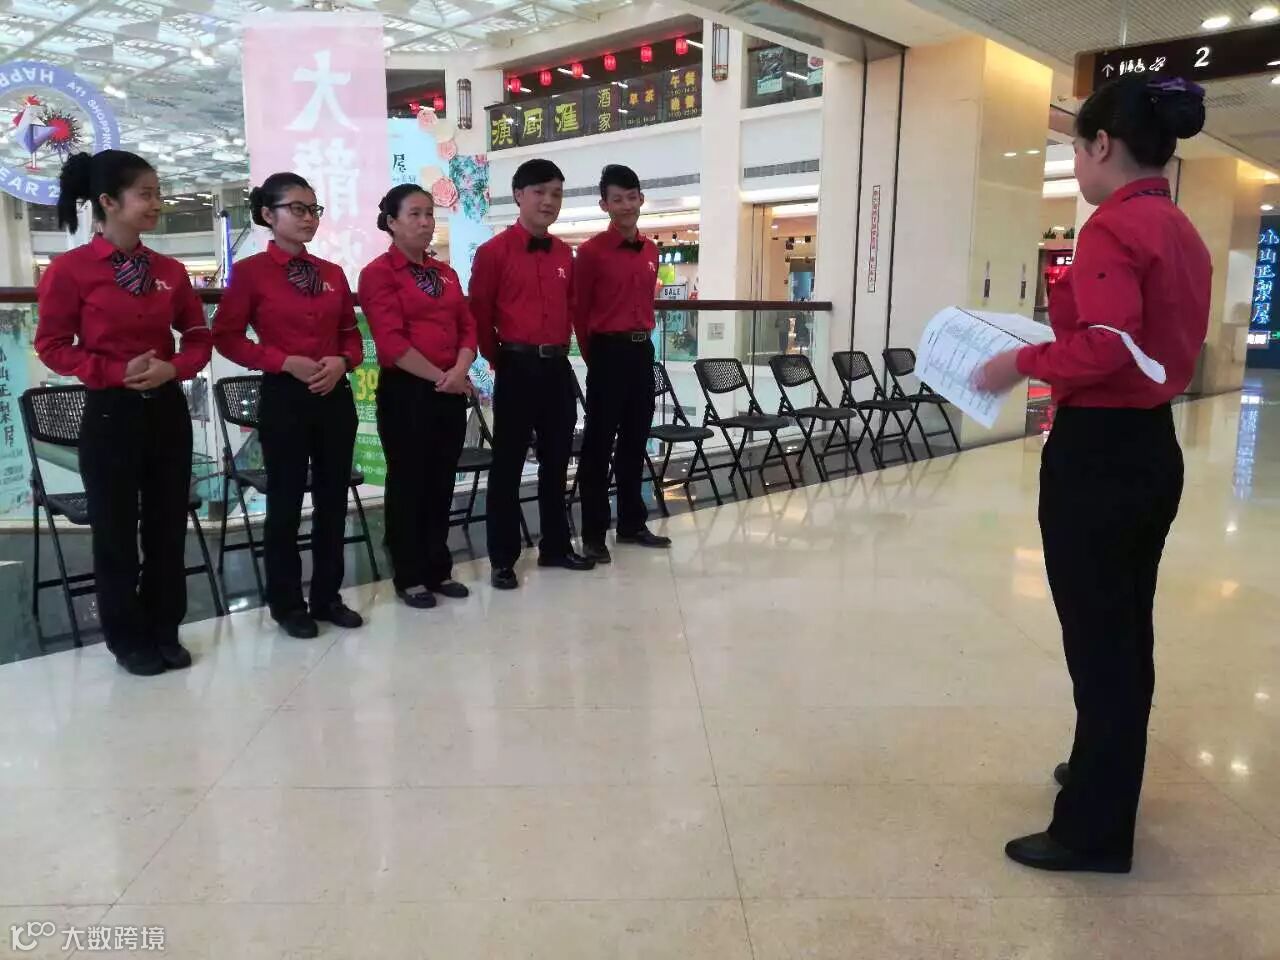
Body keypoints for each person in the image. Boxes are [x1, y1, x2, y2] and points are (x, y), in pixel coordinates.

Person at [975, 76, 1210, 873]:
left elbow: (1108, 345)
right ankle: (1101, 771)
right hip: (1151, 446)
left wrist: (1019, 362)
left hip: (1101, 453)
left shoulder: (1113, 227)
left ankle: (1093, 829)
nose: (1075, 163)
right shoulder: (1180, 227)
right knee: (1124, 628)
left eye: (1075, 148)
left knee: (1100, 641)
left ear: (1102, 144)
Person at [34, 150, 213, 676]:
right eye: (146, 194)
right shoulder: (70, 271)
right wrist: (113, 371)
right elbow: (52, 346)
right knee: (114, 532)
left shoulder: (170, 271)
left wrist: (174, 368)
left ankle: (164, 627)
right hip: (110, 414)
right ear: (109, 202)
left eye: (159, 193)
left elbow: (198, 337)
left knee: (166, 526)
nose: (157, 204)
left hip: (167, 410)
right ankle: (126, 637)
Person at [212, 172, 364, 639]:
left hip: (334, 395)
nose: (308, 218)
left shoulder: (331, 273)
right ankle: (286, 603)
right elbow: (227, 337)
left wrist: (343, 361)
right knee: (285, 502)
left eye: (313, 209)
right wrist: (281, 361)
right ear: (267, 214)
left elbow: (351, 336)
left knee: (333, 500)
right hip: (284, 396)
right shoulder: (252, 272)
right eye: (297, 209)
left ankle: (327, 596)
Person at [469, 158, 595, 590]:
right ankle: (502, 558)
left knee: (557, 460)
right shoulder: (493, 252)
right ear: (519, 195)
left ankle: (555, 546)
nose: (548, 201)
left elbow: (573, 308)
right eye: (540, 192)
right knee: (507, 464)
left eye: (556, 193)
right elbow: (479, 315)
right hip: (516, 365)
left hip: (557, 365)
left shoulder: (563, 254)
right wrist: (499, 359)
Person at [359, 184, 475, 609]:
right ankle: (408, 574)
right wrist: (443, 377)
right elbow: (391, 342)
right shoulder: (378, 273)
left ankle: (438, 567)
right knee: (409, 482)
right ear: (391, 222)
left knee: (442, 480)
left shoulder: (446, 273)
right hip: (407, 390)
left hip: (449, 387)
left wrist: (458, 371)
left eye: (429, 213)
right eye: (415, 214)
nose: (426, 222)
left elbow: (467, 327)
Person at [573, 164, 671, 564]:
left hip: (642, 351)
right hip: (607, 352)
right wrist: (596, 357)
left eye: (632, 197)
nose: (626, 205)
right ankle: (594, 534)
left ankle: (632, 523)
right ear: (604, 205)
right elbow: (579, 312)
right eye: (617, 199)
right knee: (598, 446)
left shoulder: (651, 250)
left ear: (641, 199)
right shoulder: (591, 252)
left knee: (635, 440)